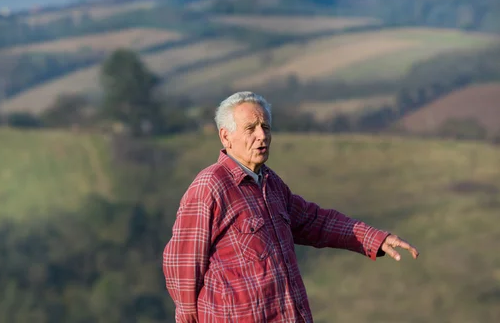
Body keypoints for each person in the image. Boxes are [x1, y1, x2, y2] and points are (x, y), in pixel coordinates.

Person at [162, 91, 419, 323]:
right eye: (250, 128)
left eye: (265, 127)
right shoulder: (211, 185)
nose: (261, 135)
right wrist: (189, 318)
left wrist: (375, 238)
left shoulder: (271, 184)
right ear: (226, 136)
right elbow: (181, 262)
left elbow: (313, 221)